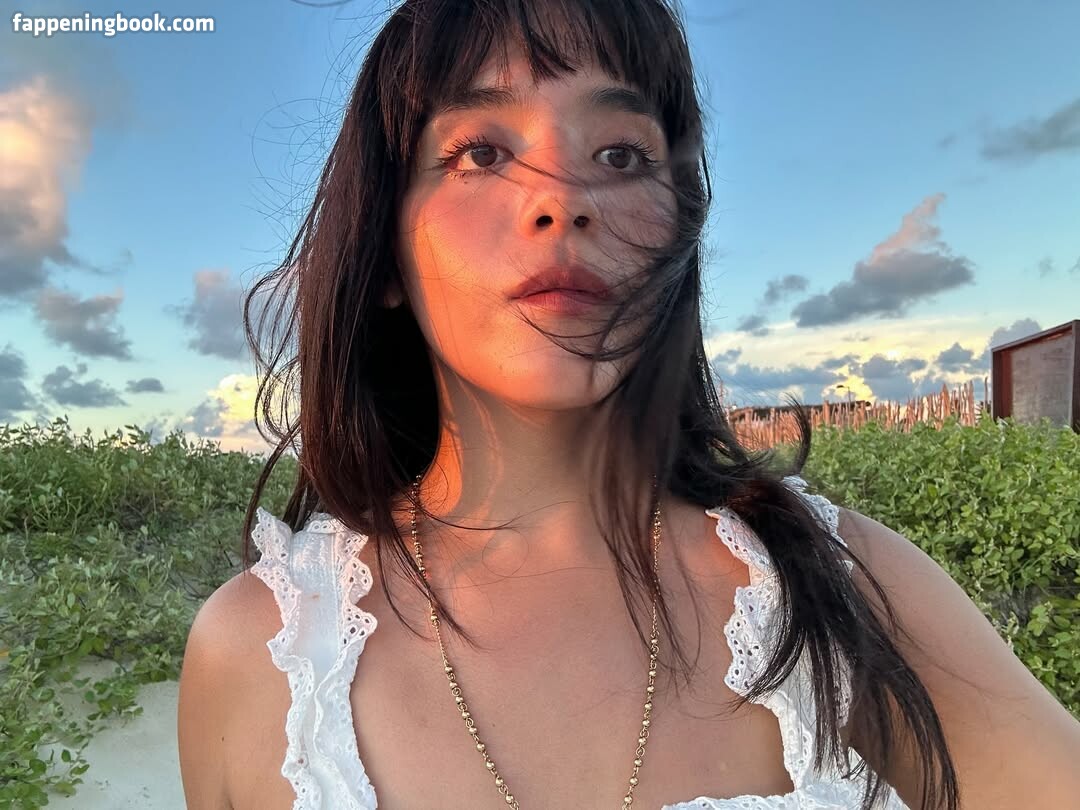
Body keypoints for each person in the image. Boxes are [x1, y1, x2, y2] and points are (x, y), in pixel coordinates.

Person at [176, 1, 1080, 808]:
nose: (561, 200)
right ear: (384, 253)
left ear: (678, 233)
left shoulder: (850, 591)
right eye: (481, 152)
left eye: (620, 155)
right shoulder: (258, 657)